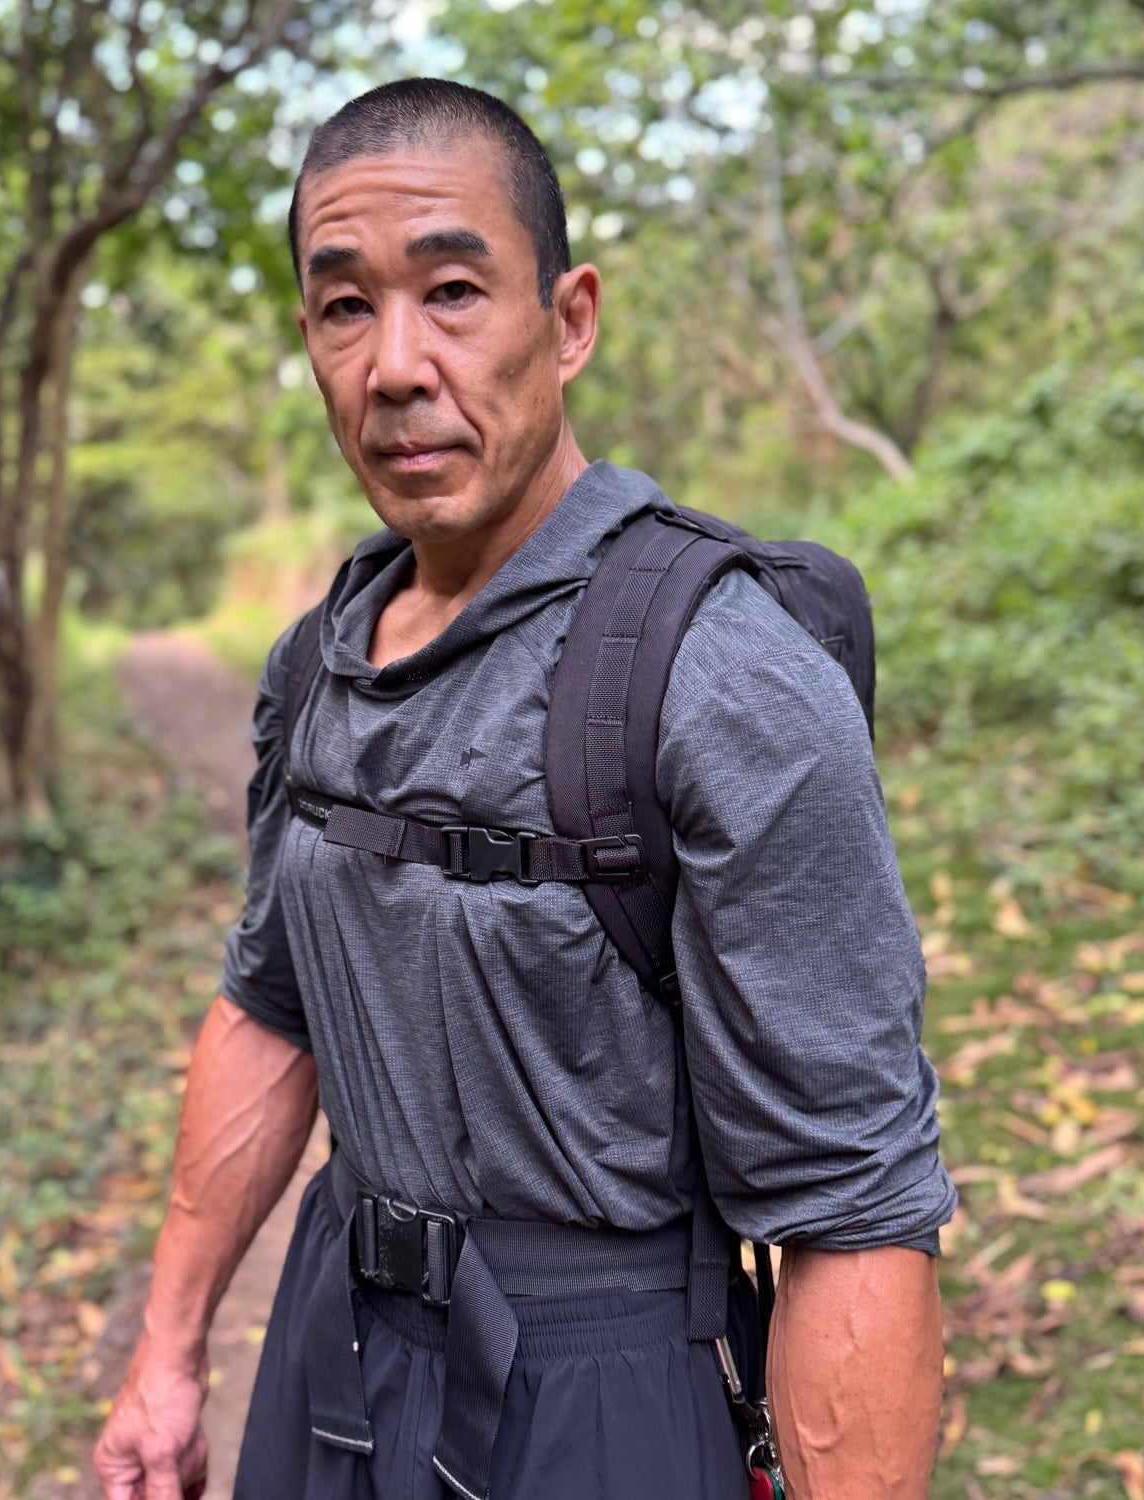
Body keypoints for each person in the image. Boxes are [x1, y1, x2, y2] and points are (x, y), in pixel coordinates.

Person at [94, 78, 956, 1500]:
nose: (395, 365)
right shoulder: (318, 662)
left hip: (606, 1392)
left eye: (452, 291)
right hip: (333, 1361)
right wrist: (168, 1358)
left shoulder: (720, 676)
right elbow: (270, 1005)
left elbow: (853, 1210)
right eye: (343, 308)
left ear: (568, 323)